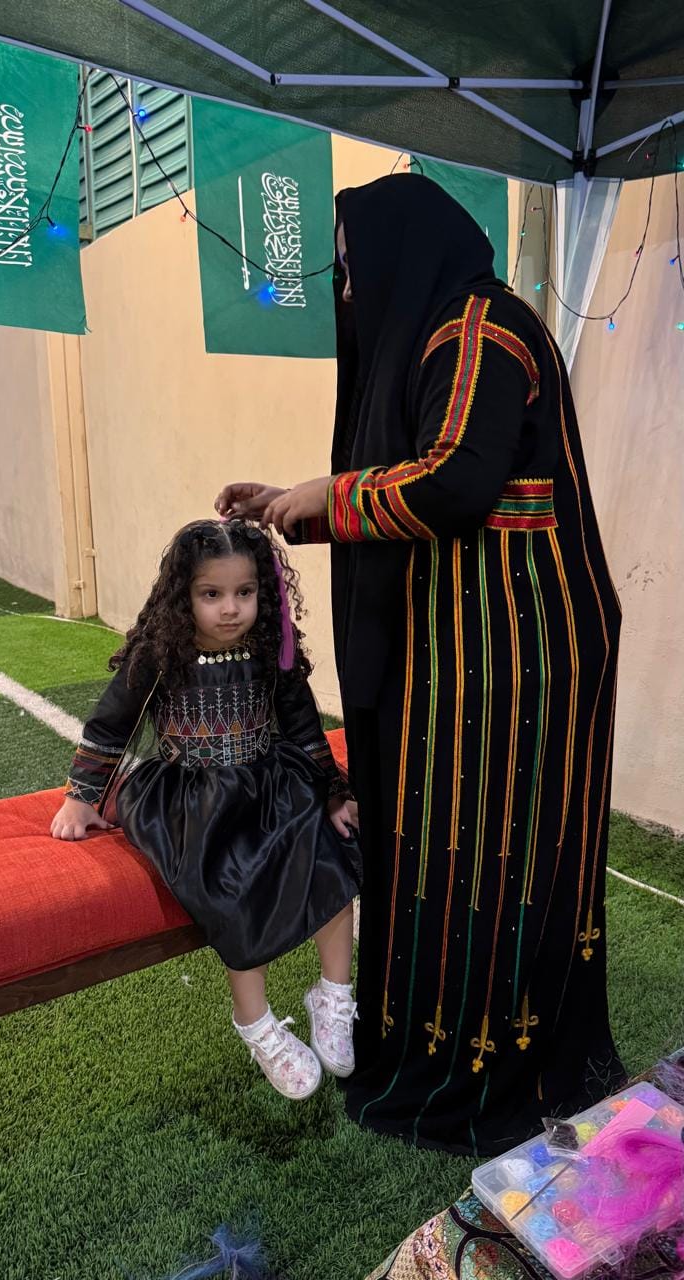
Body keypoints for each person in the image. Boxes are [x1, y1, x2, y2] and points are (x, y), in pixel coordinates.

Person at [216, 173, 626, 1154]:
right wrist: (294, 507)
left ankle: (488, 1063)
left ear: (401, 253)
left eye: (354, 270)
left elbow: (454, 481)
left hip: (521, 659)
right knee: (447, 844)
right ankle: (443, 1030)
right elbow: (420, 480)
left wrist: (327, 491)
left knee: (494, 856)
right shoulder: (455, 328)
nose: (350, 293)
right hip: (476, 650)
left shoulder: (479, 331)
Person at [51, 519, 361, 1102]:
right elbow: (110, 724)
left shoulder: (273, 648)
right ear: (182, 594)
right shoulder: (160, 653)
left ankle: (334, 994)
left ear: (263, 594)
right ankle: (256, 1022)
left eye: (244, 593)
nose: (229, 609)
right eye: (210, 594)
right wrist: (81, 797)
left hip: (270, 781)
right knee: (229, 886)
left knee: (331, 856)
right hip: (189, 800)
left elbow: (301, 727)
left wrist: (334, 791)